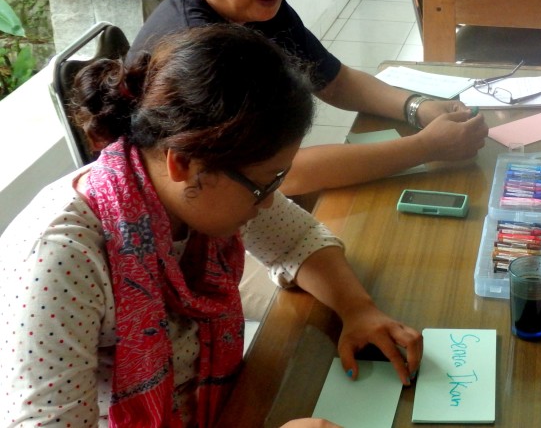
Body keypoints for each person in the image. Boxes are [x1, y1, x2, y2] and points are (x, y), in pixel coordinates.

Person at [0, 25, 422, 427]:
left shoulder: (187, 184)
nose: (269, 200)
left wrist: (358, 309)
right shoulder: (61, 260)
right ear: (183, 163)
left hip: (215, 406)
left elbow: (297, 239)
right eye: (263, 184)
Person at [133, 0, 488, 196]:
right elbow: (281, 175)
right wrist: (426, 147)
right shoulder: (197, 48)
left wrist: (417, 107)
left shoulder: (257, 7)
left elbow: (334, 80)